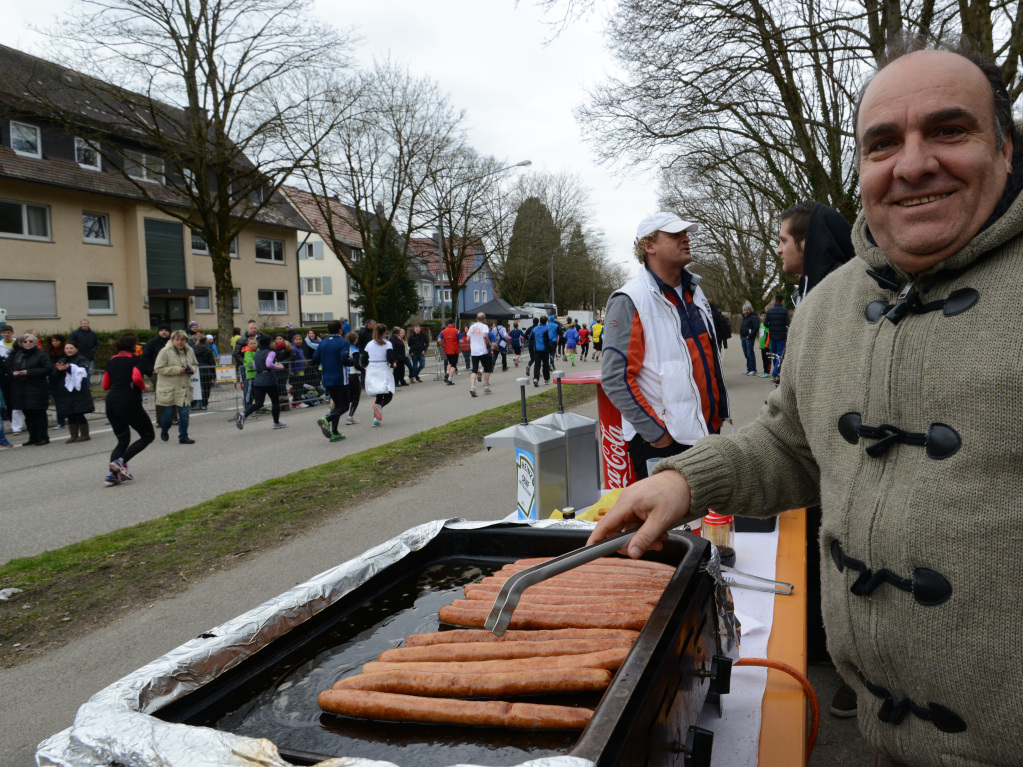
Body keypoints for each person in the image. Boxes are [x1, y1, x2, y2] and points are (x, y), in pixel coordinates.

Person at [589, 39, 1022, 767]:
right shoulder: (827, 304)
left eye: (948, 130)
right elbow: (790, 441)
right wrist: (684, 478)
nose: (912, 163)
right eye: (882, 143)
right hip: (883, 745)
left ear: (1004, 149)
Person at [777, 198, 858, 716]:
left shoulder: (841, 300)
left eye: (784, 240)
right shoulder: (807, 296)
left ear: (807, 246)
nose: (779, 249)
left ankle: (856, 671)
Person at [601, 211, 728, 480]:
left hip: (705, 435)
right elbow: (615, 378)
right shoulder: (629, 299)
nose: (686, 239)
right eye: (675, 234)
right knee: (668, 522)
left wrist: (717, 419)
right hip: (665, 443)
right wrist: (658, 435)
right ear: (649, 246)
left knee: (708, 520)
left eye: (686, 234)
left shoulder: (695, 290)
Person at [102, 333, 154, 486]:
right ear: (133, 346)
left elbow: (105, 385)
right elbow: (137, 377)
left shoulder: (111, 360)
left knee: (123, 440)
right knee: (148, 435)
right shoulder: (136, 360)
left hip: (111, 402)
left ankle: (112, 476)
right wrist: (144, 387)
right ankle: (121, 462)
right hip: (129, 402)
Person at [6, 333, 56, 445]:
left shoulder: (41, 354)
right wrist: (13, 373)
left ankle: (43, 437)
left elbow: (48, 368)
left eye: (30, 341)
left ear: (34, 343)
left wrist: (29, 372)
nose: (28, 343)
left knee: (39, 414)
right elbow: (8, 369)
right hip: (20, 388)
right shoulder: (16, 355)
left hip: (37, 388)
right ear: (21, 343)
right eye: (25, 341)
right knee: (27, 414)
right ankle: (33, 436)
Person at [153, 330, 198, 444]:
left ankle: (183, 436)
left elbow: (195, 363)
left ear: (186, 340)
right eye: (177, 339)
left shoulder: (190, 350)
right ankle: (164, 429)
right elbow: (158, 368)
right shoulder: (164, 352)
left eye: (182, 339)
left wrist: (192, 369)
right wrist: (176, 369)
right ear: (172, 340)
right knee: (168, 415)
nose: (180, 342)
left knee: (184, 413)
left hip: (184, 387)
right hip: (169, 388)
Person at [236, 334, 287, 430]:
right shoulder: (271, 352)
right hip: (269, 379)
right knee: (275, 402)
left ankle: (244, 414)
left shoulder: (257, 353)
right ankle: (276, 423)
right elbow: (268, 363)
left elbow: (255, 366)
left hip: (258, 379)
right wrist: (278, 367)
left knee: (258, 403)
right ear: (269, 343)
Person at [312, 321, 352, 441]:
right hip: (340, 378)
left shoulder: (322, 343)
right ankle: (326, 420)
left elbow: (314, 360)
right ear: (340, 329)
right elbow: (344, 359)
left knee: (337, 406)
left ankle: (334, 432)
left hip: (327, 378)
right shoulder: (343, 342)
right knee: (344, 406)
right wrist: (353, 362)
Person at [51, 339, 95, 443]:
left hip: (78, 391)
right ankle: (73, 435)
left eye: (71, 348)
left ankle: (84, 434)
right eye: (67, 348)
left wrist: (69, 368)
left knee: (79, 413)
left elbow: (82, 372)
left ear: (76, 349)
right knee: (69, 414)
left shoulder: (82, 359)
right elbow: (53, 376)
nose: (69, 350)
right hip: (65, 391)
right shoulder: (62, 360)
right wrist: (59, 371)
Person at [364, 324, 395, 426]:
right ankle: (379, 407)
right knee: (389, 394)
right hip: (383, 369)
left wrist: (365, 366)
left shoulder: (369, 344)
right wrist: (393, 364)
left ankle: (376, 419)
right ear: (384, 332)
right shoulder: (387, 344)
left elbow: (363, 358)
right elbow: (390, 358)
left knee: (379, 395)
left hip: (372, 369)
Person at [142, 324, 172, 424]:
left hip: (172, 372)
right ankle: (160, 419)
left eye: (166, 330)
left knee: (174, 395)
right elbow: (146, 357)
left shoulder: (173, 342)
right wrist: (151, 370)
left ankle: (174, 418)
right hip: (157, 373)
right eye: (161, 330)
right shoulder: (152, 343)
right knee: (160, 397)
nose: (164, 332)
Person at [764, 294, 790, 382]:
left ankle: (776, 372)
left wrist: (771, 326)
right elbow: (788, 323)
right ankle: (775, 373)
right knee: (780, 354)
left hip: (772, 335)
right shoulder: (784, 311)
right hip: (782, 336)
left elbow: (765, 324)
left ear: (775, 301)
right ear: (782, 301)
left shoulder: (769, 311)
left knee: (774, 354)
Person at [467, 312, 492, 397]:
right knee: (487, 368)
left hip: (474, 351)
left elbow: (467, 338)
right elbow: (484, 335)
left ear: (476, 318)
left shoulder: (471, 327)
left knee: (474, 369)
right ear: (484, 319)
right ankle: (486, 386)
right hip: (482, 350)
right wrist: (489, 342)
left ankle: (473, 387)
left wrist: (474, 340)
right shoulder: (484, 326)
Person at [46, 334, 68, 429]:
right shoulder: (48, 352)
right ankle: (60, 421)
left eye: (57, 341)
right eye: (53, 341)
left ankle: (68, 417)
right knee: (57, 401)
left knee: (64, 400)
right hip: (53, 378)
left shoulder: (65, 352)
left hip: (63, 378)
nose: (55, 343)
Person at [192, 335, 218, 410]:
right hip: (206, 371)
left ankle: (195, 403)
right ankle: (204, 403)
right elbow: (212, 362)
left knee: (196, 388)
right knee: (206, 389)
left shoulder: (192, 349)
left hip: (195, 371)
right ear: (206, 341)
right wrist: (214, 374)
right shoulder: (208, 349)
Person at [344, 330, 363, 425]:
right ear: (355, 339)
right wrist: (364, 370)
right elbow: (356, 365)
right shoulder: (355, 350)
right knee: (356, 396)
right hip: (353, 374)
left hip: (345, 374)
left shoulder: (345, 348)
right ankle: (350, 416)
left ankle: (333, 408)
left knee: (348, 395)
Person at [529, 315, 552, 387]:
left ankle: (536, 379)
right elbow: (550, 338)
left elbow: (530, 338)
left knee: (537, 364)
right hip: (545, 349)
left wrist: (534, 344)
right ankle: (546, 378)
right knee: (545, 364)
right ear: (546, 321)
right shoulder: (548, 328)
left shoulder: (534, 329)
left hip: (536, 349)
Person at [738, 304, 760, 375]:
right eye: (745, 310)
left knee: (750, 353)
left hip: (749, 338)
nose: (746, 311)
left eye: (748, 310)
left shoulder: (754, 317)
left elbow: (756, 328)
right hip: (743, 337)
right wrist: (741, 336)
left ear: (750, 310)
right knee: (746, 354)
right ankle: (749, 369)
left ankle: (753, 369)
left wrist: (749, 336)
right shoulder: (744, 317)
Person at [438, 318, 460, 386]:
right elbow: (461, 340)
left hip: (447, 349)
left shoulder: (443, 331)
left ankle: (447, 372)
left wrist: (442, 345)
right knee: (453, 365)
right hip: (454, 349)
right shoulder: (457, 331)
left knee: (449, 362)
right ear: (453, 323)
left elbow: (439, 340)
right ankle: (450, 379)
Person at [757, 311, 771, 377]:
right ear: (760, 317)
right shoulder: (761, 324)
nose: (763, 317)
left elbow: (768, 334)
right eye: (762, 316)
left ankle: (767, 371)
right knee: (763, 358)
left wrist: (766, 344)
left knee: (767, 359)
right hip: (762, 345)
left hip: (767, 345)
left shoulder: (767, 324)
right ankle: (764, 370)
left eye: (765, 316)